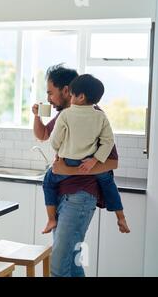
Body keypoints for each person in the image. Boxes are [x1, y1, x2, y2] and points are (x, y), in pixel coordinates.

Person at [31, 64, 126, 277]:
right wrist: (37, 116)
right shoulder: (67, 114)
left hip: (79, 197)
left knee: (57, 265)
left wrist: (69, 170)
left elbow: (112, 163)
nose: (49, 99)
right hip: (65, 197)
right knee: (72, 264)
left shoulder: (94, 116)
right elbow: (44, 135)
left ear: (68, 92)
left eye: (50, 93)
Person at [41, 74, 130, 235]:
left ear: (80, 97)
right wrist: (95, 159)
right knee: (109, 184)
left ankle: (51, 219)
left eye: (72, 94)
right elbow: (108, 141)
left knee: (48, 182)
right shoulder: (100, 116)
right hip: (93, 165)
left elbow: (54, 140)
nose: (70, 97)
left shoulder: (66, 115)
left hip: (68, 163)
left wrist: (59, 152)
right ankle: (121, 217)